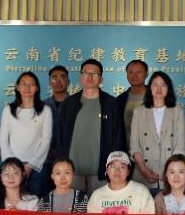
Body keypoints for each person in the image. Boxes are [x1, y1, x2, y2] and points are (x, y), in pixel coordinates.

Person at [52, 58, 126, 193]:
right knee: (74, 205)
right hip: (72, 171)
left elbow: (118, 137)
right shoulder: (69, 103)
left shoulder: (111, 103)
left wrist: (114, 165)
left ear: (101, 79)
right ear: (81, 76)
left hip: (101, 171)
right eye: (86, 73)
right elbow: (60, 136)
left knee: (99, 205)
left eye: (94, 73)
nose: (90, 76)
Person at [130, 71, 185, 192]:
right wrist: (144, 170)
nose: (159, 89)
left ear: (168, 88)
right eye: (155, 85)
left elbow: (180, 146)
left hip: (170, 176)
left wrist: (171, 172)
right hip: (143, 173)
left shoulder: (177, 111)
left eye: (163, 85)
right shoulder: (139, 112)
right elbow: (135, 145)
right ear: (150, 88)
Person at [0, 71, 53, 197]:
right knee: (10, 202)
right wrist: (13, 165)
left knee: (37, 203)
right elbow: (3, 139)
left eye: (31, 84)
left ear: (37, 88)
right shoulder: (9, 109)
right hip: (11, 167)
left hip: (36, 167)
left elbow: (46, 140)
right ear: (17, 87)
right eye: (23, 84)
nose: (27, 88)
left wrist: (31, 165)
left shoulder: (45, 110)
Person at [87, 151, 155, 213]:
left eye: (122, 167)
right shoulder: (96, 195)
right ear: (107, 170)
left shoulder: (142, 192)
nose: (117, 171)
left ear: (128, 171)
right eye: (112, 166)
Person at [115, 59, 150, 145]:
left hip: (153, 150)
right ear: (127, 75)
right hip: (126, 150)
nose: (134, 75)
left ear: (146, 74)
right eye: (131, 72)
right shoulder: (119, 100)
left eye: (138, 72)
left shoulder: (156, 97)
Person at [45, 65, 71, 134]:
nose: (58, 81)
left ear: (68, 82)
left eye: (62, 78)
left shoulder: (77, 105)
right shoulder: (42, 106)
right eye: (54, 78)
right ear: (49, 83)